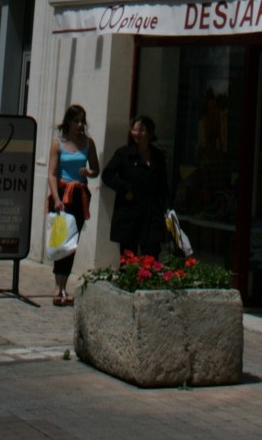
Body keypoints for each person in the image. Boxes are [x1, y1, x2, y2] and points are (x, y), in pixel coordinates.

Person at [47, 102, 98, 307]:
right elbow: (51, 173)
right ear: (68, 121)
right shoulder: (58, 144)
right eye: (76, 120)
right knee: (61, 240)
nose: (79, 125)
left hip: (79, 195)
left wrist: (89, 172)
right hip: (61, 194)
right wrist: (56, 198)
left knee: (71, 243)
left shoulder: (88, 143)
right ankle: (57, 286)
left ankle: (63, 285)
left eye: (82, 121)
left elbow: (95, 169)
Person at [102, 114, 170, 261]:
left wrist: (167, 209)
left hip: (152, 213)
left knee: (151, 256)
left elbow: (163, 185)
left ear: (150, 134)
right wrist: (125, 188)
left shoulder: (157, 156)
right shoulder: (123, 154)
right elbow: (107, 175)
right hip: (130, 212)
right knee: (128, 258)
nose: (137, 133)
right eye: (135, 130)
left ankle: (147, 282)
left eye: (142, 130)